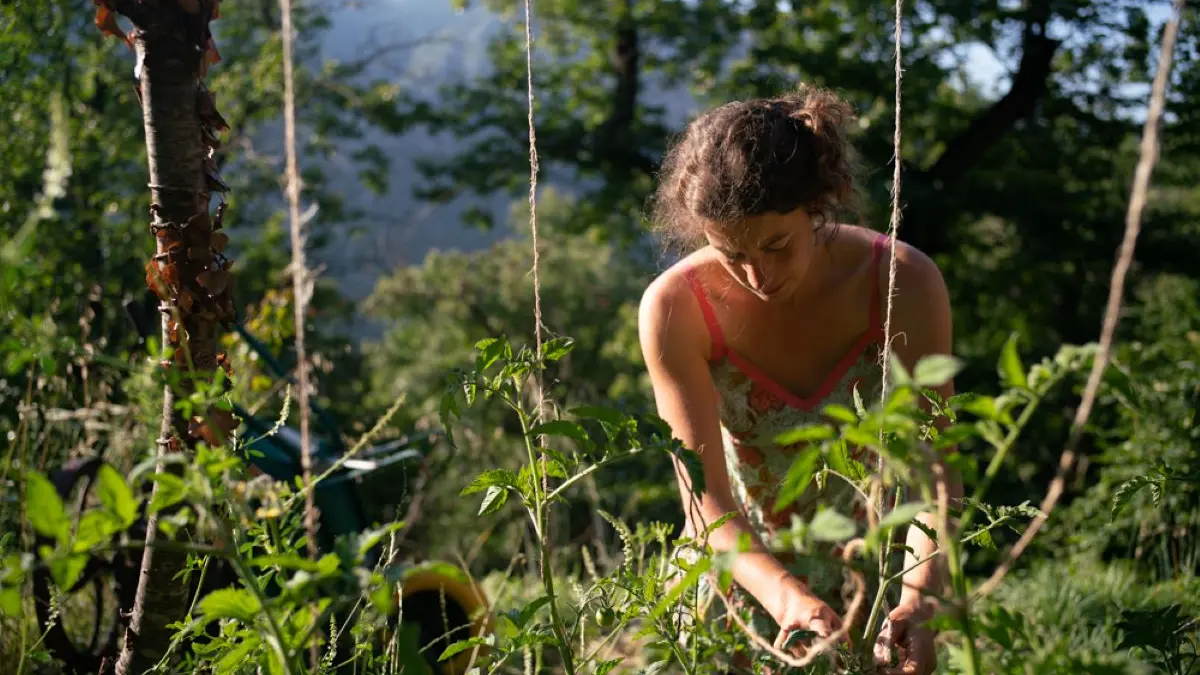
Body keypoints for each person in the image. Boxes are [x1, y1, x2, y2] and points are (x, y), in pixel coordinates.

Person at [638, 85, 962, 674]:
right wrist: (787, 598)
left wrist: (918, 599)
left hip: (876, 578)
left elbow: (932, 473)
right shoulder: (676, 309)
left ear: (816, 204)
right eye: (729, 253)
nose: (756, 274)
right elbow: (704, 503)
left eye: (776, 244)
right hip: (741, 577)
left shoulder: (901, 283)